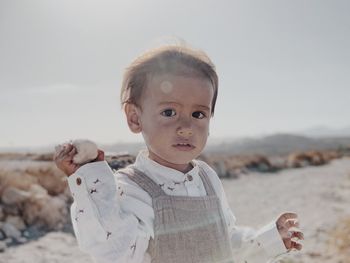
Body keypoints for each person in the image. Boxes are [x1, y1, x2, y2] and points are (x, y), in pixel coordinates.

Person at [54, 44, 303, 263]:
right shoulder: (130, 187)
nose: (186, 128)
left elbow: (225, 239)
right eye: (169, 112)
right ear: (134, 117)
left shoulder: (207, 178)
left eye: (198, 114)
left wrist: (269, 239)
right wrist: (91, 178)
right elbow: (116, 252)